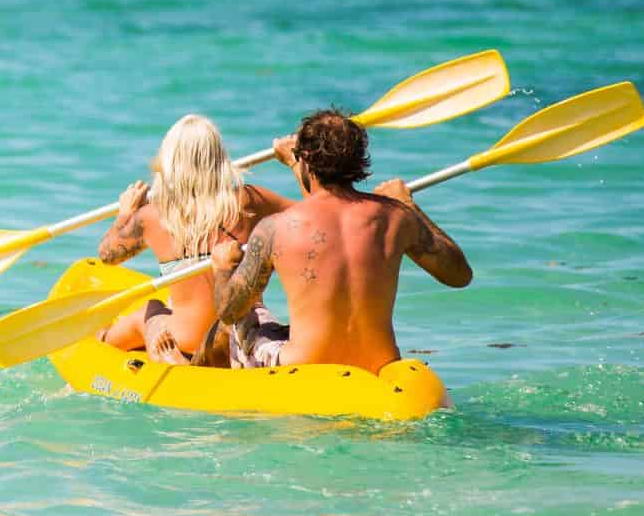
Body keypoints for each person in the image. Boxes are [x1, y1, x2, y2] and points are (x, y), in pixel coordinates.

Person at [203, 108, 472, 373]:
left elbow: (229, 310)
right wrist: (410, 206)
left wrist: (224, 268)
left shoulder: (276, 228)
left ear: (306, 160)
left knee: (242, 322)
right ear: (359, 160)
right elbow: (459, 276)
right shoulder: (397, 216)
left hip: (303, 368)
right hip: (377, 366)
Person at [93, 114, 292, 365]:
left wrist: (125, 215)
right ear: (219, 159)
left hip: (186, 339)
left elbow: (108, 255)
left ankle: (103, 341)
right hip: (238, 332)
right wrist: (292, 160)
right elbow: (310, 216)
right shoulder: (249, 201)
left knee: (150, 309)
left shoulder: (152, 216)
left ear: (169, 163)